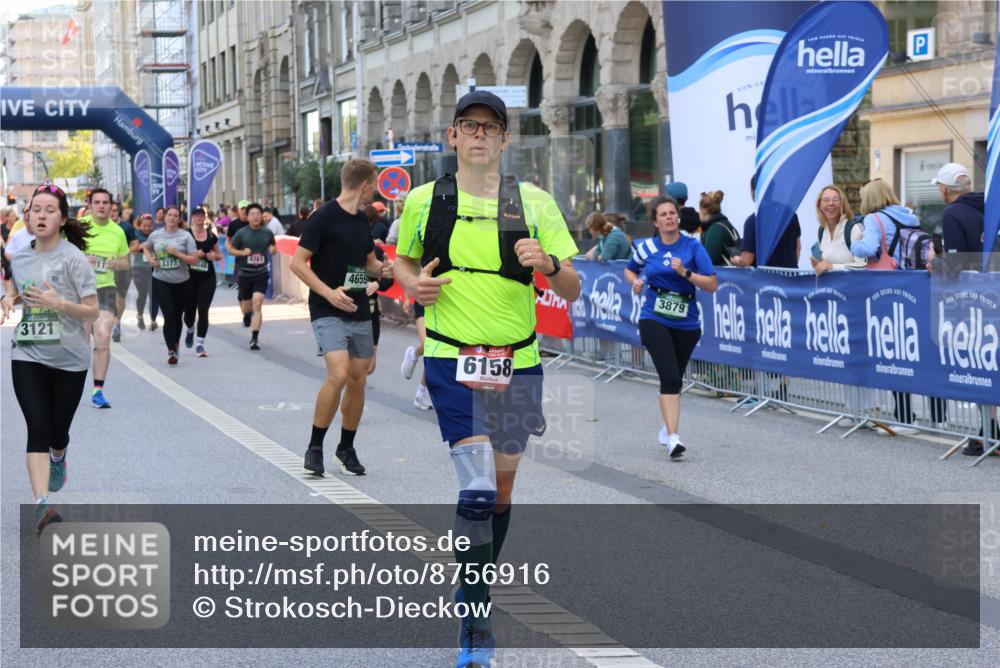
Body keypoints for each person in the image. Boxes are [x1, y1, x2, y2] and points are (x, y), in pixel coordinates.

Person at [394, 90, 581, 668]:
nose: (478, 135)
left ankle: (473, 588)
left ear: (504, 139)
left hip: (517, 363)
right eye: (468, 126)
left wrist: (547, 265)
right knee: (475, 493)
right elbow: (401, 262)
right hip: (451, 358)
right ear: (452, 136)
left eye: (490, 127)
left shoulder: (535, 203)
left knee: (499, 494)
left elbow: (572, 287)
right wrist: (412, 286)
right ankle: (475, 620)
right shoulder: (425, 201)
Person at [1, 184, 99, 533]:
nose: (40, 215)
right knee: (37, 427)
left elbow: (92, 310)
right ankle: (43, 504)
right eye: (35, 209)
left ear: (62, 219)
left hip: (70, 357)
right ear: (26, 216)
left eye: (49, 210)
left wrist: (59, 304)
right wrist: (8, 299)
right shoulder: (21, 257)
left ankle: (60, 454)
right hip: (27, 352)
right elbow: (16, 286)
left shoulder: (74, 259)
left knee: (58, 431)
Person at [291, 159, 391, 477]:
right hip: (327, 308)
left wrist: (384, 269)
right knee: (339, 373)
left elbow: (369, 263)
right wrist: (328, 292)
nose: (374, 189)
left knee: (358, 378)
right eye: (373, 183)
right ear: (364, 184)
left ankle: (346, 447)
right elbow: (297, 263)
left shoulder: (362, 220)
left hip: (359, 306)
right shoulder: (324, 217)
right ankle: (314, 447)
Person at [624, 196, 717, 458]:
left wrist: (686, 273)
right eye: (663, 214)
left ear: (678, 217)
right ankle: (674, 438)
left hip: (687, 321)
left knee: (675, 379)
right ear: (655, 221)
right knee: (671, 378)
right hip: (654, 316)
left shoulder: (693, 247)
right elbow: (629, 270)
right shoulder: (646, 247)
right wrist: (636, 282)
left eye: (672, 213)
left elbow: (712, 284)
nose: (669, 217)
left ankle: (667, 428)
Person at [930, 163, 998, 453]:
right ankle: (989, 430)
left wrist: (935, 263)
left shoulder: (953, 213)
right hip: (993, 289)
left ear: (945, 189)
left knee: (983, 362)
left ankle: (990, 432)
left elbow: (957, 264)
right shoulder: (991, 205)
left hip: (976, 300)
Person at [852, 178, 922, 434]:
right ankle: (934, 415)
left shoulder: (873, 219)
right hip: (911, 287)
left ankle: (905, 417)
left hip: (884, 290)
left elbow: (868, 248)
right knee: (908, 351)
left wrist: (855, 241)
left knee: (891, 353)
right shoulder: (908, 216)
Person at [82, 188, 130, 408]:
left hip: (105, 288)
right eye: (97, 202)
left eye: (105, 202)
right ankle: (68, 386)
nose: (101, 206)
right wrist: (83, 259)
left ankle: (98, 390)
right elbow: (62, 255)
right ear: (90, 205)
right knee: (81, 343)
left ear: (112, 206)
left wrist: (114, 264)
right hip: (79, 291)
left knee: (103, 335)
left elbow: (126, 263)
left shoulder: (118, 232)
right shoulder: (78, 228)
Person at [142, 205, 199, 365]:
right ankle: (171, 350)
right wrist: (151, 258)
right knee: (168, 315)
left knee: (177, 315)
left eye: (175, 216)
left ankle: (176, 343)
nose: (172, 218)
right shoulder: (155, 235)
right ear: (165, 217)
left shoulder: (185, 236)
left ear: (179, 219)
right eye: (169, 215)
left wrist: (177, 254)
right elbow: (146, 248)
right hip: (161, 279)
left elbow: (194, 260)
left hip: (182, 281)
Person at [229, 203, 276, 350]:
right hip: (245, 274)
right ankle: (246, 314)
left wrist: (273, 249)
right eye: (252, 214)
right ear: (247, 217)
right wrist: (242, 253)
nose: (255, 216)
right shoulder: (242, 233)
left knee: (258, 303)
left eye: (258, 213)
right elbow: (230, 249)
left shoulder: (267, 233)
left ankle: (254, 338)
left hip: (261, 273)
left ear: (261, 216)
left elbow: (273, 246)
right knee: (248, 305)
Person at [732, 175, 802, 268]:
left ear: (753, 193)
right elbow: (798, 248)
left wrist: (736, 260)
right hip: (790, 279)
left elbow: (747, 260)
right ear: (771, 191)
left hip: (766, 280)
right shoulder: (790, 213)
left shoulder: (753, 221)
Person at [183, 207, 222, 357]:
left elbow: (219, 255)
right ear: (192, 217)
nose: (199, 217)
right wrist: (192, 254)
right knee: (189, 312)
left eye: (202, 215)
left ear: (205, 217)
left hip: (207, 277)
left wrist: (214, 256)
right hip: (188, 277)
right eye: (196, 215)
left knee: (203, 309)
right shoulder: (186, 234)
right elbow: (179, 253)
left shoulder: (211, 235)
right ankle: (190, 329)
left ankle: (200, 344)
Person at [810, 184, 864, 274]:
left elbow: (863, 265)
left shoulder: (853, 228)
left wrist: (831, 266)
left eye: (836, 200)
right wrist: (819, 265)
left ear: (842, 205)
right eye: (826, 200)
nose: (831, 203)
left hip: (853, 287)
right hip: (831, 287)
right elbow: (827, 263)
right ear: (819, 206)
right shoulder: (821, 230)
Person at [112, 202, 139, 342]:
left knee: (120, 298)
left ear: (119, 212)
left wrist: (123, 252)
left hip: (123, 267)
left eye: (115, 210)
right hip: (104, 268)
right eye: (110, 210)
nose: (112, 213)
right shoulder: (100, 227)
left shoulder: (126, 227)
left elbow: (136, 245)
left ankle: (117, 324)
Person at [401, 301, 434, 410]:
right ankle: (414, 354)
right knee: (428, 345)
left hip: (443, 309)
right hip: (423, 304)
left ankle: (420, 394)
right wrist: (406, 298)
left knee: (433, 351)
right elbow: (409, 283)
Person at [226, 199, 253, 324]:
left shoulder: (254, 222)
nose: (245, 211)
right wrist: (230, 249)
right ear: (238, 211)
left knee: (253, 286)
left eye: (247, 209)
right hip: (239, 259)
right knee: (242, 286)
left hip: (254, 259)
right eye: (243, 209)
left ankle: (249, 309)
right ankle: (245, 312)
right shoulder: (234, 224)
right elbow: (228, 239)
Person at [131, 213, 159, 331]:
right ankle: (140, 316)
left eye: (149, 226)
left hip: (153, 268)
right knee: (142, 294)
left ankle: (153, 320)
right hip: (139, 268)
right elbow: (132, 249)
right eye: (144, 226)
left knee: (153, 294)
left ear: (152, 225)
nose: (147, 228)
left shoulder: (156, 234)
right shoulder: (135, 234)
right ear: (140, 225)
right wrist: (141, 246)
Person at [698, 190, 741, 266]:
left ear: (703, 212)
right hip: (734, 274)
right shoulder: (726, 224)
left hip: (722, 276)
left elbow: (709, 261)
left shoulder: (714, 231)